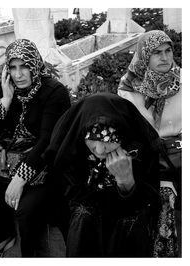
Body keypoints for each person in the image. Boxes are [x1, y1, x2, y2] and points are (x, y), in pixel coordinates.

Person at [0, 39, 71, 257]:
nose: (18, 74)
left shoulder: (54, 92)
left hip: (44, 165)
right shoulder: (7, 87)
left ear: (34, 65)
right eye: (13, 67)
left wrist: (20, 179)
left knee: (26, 208)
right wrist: (6, 100)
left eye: (24, 66)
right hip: (10, 160)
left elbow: (47, 142)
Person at [43, 93, 161, 257]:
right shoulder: (72, 154)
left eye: (109, 139)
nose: (99, 150)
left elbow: (146, 204)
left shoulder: (139, 152)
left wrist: (126, 180)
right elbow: (69, 199)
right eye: (92, 138)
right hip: (86, 234)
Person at [117, 30, 181, 257]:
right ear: (145, 56)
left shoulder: (183, 81)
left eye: (168, 51)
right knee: (162, 199)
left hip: (181, 153)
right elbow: (128, 133)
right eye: (156, 53)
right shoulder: (128, 90)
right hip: (149, 158)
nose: (165, 57)